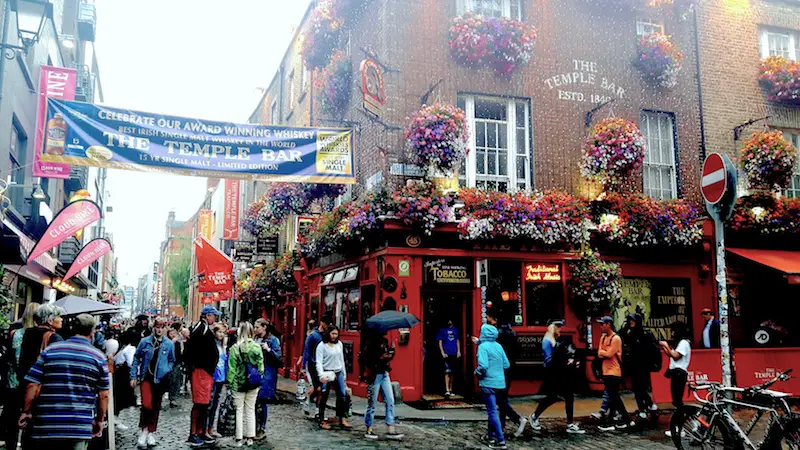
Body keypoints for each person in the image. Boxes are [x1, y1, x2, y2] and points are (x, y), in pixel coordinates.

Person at [19, 313, 109, 450]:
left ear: (72, 328)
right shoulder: (98, 357)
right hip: (79, 426)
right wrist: (99, 420)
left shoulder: (50, 351)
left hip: (47, 424)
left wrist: (25, 411)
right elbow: (104, 394)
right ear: (92, 331)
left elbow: (32, 384)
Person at [529, 319, 584, 435]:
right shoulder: (547, 341)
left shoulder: (555, 340)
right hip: (553, 373)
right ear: (552, 327)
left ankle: (569, 423)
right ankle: (535, 415)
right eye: (557, 326)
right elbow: (549, 360)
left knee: (568, 396)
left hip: (560, 372)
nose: (560, 329)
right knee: (552, 397)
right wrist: (564, 362)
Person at [130, 317, 175, 448]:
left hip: (160, 379)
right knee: (147, 405)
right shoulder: (145, 342)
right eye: (157, 327)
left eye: (162, 327)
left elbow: (172, 360)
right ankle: (143, 430)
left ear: (165, 328)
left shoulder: (168, 344)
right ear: (153, 327)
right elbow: (136, 358)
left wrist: (166, 368)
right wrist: (133, 376)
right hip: (146, 378)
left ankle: (151, 431)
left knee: (156, 406)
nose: (159, 329)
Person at [2, 303, 39, 450]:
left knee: (12, 416)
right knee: (28, 417)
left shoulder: (15, 333)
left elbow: (12, 358)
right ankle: (24, 444)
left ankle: (10, 443)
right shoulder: (40, 336)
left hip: (13, 381)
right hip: (29, 383)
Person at [185, 306, 221, 447]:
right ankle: (194, 433)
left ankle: (200, 431)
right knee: (200, 404)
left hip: (204, 371)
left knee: (204, 404)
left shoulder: (202, 328)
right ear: (207, 316)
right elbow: (192, 351)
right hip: (201, 371)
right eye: (214, 315)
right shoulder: (201, 329)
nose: (215, 318)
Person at [361, 329, 403, 441]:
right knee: (372, 403)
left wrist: (391, 352)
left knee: (390, 400)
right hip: (374, 375)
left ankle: (390, 428)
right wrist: (380, 358)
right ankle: (369, 428)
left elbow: (386, 357)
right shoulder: (370, 344)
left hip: (384, 373)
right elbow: (366, 360)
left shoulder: (384, 342)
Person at [226, 322, 264, 447]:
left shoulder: (235, 348)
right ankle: (250, 437)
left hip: (239, 382)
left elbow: (231, 368)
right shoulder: (257, 347)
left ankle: (238, 438)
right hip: (253, 382)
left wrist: (229, 382)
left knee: (239, 410)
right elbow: (261, 367)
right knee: (250, 410)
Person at [475, 324, 510, 450]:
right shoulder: (498, 346)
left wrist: (477, 373)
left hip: (488, 383)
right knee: (495, 411)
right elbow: (506, 364)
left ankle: (500, 440)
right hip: (500, 384)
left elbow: (483, 366)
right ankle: (490, 435)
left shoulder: (483, 347)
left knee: (492, 412)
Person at [596, 316, 632, 432]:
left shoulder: (616, 338)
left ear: (609, 324)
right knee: (612, 396)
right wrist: (603, 352)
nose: (601, 326)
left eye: (603, 324)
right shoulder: (602, 338)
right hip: (606, 371)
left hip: (614, 371)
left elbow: (609, 354)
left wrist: (604, 352)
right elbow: (599, 353)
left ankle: (626, 418)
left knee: (614, 396)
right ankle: (613, 419)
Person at [619, 313, 659, 418]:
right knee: (637, 388)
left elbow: (654, 349)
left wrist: (655, 363)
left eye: (633, 320)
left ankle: (645, 407)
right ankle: (647, 406)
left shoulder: (646, 334)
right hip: (634, 365)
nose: (631, 322)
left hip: (644, 365)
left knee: (641, 388)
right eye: (630, 320)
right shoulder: (629, 333)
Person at [315, 325, 352, 430]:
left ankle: (342, 418)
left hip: (338, 371)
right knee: (324, 395)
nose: (334, 336)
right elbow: (318, 362)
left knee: (342, 394)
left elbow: (341, 359)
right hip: (327, 372)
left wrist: (344, 374)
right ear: (328, 333)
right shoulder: (322, 346)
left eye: (336, 334)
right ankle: (321, 420)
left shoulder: (339, 344)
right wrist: (321, 375)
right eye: (333, 333)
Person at [18, 304, 66, 383]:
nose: (61, 319)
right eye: (58, 316)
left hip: (26, 379)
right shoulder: (54, 337)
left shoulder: (28, 332)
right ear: (50, 321)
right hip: (43, 381)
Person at [254, 319, 281, 440]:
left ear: (264, 327)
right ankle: (254, 428)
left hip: (267, 374)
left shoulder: (273, 340)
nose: (255, 329)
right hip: (254, 374)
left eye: (257, 327)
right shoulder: (254, 339)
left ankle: (261, 429)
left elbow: (279, 359)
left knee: (262, 401)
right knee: (254, 402)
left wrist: (268, 350)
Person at [302, 316, 328, 417]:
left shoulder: (326, 335)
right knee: (317, 388)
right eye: (326, 323)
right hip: (312, 365)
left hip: (322, 365)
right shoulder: (313, 335)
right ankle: (309, 402)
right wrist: (303, 366)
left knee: (321, 389)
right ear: (322, 323)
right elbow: (306, 351)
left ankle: (316, 409)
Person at [112, 333, 138, 431]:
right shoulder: (131, 349)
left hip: (118, 373)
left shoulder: (122, 348)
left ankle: (115, 418)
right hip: (124, 374)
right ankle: (114, 418)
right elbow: (131, 362)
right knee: (122, 398)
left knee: (118, 397)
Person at [206, 323, 227, 439]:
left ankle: (211, 428)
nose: (221, 334)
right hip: (213, 378)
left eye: (223, 332)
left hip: (221, 379)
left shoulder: (223, 346)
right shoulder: (212, 345)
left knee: (215, 404)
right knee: (209, 404)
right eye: (219, 332)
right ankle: (205, 429)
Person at [437, 319, 461, 397]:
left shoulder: (455, 330)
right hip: (446, 353)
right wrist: (442, 352)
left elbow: (457, 341)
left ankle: (451, 389)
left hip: (453, 352)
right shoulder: (442, 330)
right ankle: (447, 389)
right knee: (447, 372)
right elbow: (440, 342)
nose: (449, 322)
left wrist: (458, 351)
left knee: (452, 372)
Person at [167, 327, 185, 408]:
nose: (173, 335)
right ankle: (172, 398)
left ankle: (175, 398)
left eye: (174, 333)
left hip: (178, 363)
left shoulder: (178, 342)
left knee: (177, 381)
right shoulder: (168, 342)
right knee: (172, 381)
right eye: (171, 333)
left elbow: (181, 352)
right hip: (171, 364)